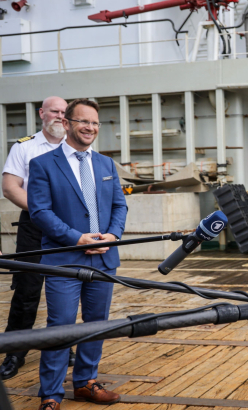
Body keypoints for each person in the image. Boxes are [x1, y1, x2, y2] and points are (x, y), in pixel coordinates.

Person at [28, 98, 127, 410]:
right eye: (84, 121)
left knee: (97, 323)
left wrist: (113, 235)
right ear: (66, 124)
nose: (91, 128)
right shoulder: (43, 164)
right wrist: (78, 238)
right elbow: (40, 212)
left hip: (104, 258)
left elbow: (120, 206)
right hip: (64, 259)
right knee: (61, 325)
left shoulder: (106, 164)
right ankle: (51, 394)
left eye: (95, 123)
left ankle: (85, 382)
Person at [0, 97, 76, 380]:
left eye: (64, 112)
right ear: (42, 113)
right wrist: (44, 213)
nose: (59, 115)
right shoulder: (25, 146)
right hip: (34, 225)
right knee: (27, 290)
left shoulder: (78, 146)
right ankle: (15, 352)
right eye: (54, 111)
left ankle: (61, 344)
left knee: (65, 288)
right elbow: (10, 187)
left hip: (71, 228)